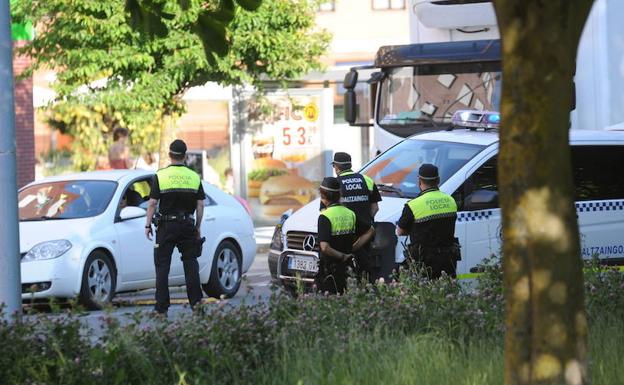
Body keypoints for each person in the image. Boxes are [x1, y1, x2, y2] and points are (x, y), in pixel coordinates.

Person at [144, 139, 205, 316]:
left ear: (170, 155)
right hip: (187, 225)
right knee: (191, 264)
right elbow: (200, 204)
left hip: (166, 226)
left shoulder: (160, 175)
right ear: (185, 156)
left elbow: (152, 203)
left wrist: (148, 224)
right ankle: (197, 306)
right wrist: (197, 227)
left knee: (162, 266)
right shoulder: (194, 177)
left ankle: (161, 308)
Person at [323, 152, 382, 282]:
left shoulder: (333, 184)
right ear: (350, 165)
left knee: (341, 275)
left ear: (336, 167)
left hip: (341, 237)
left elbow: (326, 212)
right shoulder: (367, 180)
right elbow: (375, 208)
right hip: (364, 235)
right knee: (364, 271)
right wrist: (366, 220)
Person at [396, 164, 460, 279]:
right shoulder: (451, 200)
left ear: (419, 181)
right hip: (448, 259)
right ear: (438, 180)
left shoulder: (413, 205)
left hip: (424, 262)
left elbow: (399, 231)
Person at [316, 177, 375, 294]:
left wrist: (342, 256)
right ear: (339, 194)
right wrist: (353, 248)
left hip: (330, 270)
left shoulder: (325, 216)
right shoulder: (350, 214)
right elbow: (370, 230)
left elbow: (325, 247)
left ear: (323, 196)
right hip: (347, 268)